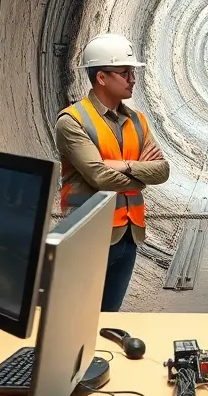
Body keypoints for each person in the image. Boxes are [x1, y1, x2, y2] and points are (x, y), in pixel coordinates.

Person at [56, 33, 171, 312]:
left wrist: (124, 165)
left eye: (132, 72)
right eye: (125, 72)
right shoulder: (72, 121)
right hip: (88, 236)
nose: (133, 79)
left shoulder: (137, 120)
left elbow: (162, 170)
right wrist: (140, 177)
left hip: (128, 235)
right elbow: (99, 176)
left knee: (110, 318)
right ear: (102, 77)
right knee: (77, 317)